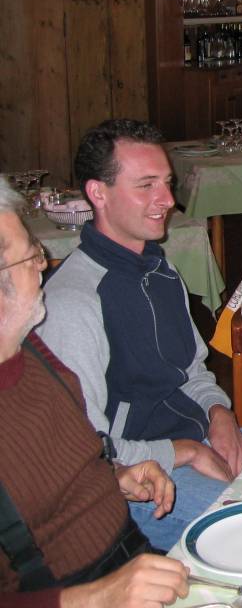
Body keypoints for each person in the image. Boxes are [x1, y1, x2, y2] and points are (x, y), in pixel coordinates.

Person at [37, 119, 242, 553]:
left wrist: (219, 412)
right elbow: (87, 449)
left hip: (196, 437)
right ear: (98, 193)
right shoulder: (75, 301)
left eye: (167, 183)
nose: (168, 200)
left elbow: (192, 370)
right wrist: (184, 451)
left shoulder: (161, 270)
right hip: (140, 482)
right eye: (146, 186)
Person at [0, 177, 190, 607]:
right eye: (31, 256)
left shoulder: (34, 352)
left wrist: (115, 475)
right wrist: (96, 597)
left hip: (131, 558)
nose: (45, 265)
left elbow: (55, 463)